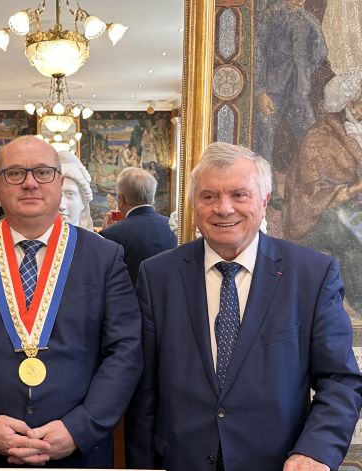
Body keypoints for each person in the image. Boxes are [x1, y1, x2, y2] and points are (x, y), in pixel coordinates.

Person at [125, 142, 362, 471]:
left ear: (264, 202)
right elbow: (144, 393)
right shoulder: (157, 275)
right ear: (194, 204)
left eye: (239, 195)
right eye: (209, 196)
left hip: (278, 464)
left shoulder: (312, 275)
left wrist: (316, 451)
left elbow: (340, 380)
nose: (224, 208)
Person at [0, 135, 142, 470]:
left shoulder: (104, 257)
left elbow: (125, 351)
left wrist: (78, 428)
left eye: (42, 172)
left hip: (76, 453)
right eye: (15, 174)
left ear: (59, 180)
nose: (29, 183)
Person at [284, 67, 362, 318]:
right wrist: (356, 188)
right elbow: (315, 194)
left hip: (351, 208)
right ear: (350, 102)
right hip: (317, 216)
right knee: (353, 238)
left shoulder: (356, 129)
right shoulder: (320, 137)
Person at [252, 0, 326, 193]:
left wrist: (303, 70)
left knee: (311, 138)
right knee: (264, 142)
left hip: (299, 92)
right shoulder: (270, 15)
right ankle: (268, 192)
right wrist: (260, 91)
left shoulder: (309, 20)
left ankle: (314, 190)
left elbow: (320, 53)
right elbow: (257, 53)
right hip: (272, 91)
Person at [100, 167, 176, 285]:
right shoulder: (174, 226)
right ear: (152, 197)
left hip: (132, 302)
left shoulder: (112, 234)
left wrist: (105, 239)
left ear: (121, 199)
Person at [57, 150, 94, 230]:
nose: (61, 205)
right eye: (55, 194)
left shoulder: (96, 242)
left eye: (70, 194)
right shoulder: (34, 242)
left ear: (83, 202)